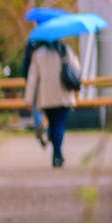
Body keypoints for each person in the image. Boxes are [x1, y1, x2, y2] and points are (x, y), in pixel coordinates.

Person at [23, 38, 79, 167]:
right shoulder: (65, 50)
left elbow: (32, 78)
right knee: (59, 125)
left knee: (53, 124)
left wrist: (29, 99)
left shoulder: (38, 54)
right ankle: (57, 154)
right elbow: (76, 68)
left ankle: (56, 152)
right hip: (63, 94)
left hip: (46, 96)